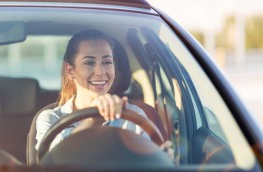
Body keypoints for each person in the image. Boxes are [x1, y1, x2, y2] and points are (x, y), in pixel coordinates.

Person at [35, 29, 174, 159]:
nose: (100, 71)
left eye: (107, 62)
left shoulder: (134, 116)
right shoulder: (50, 118)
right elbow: (50, 162)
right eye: (89, 62)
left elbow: (148, 165)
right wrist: (94, 120)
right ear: (70, 71)